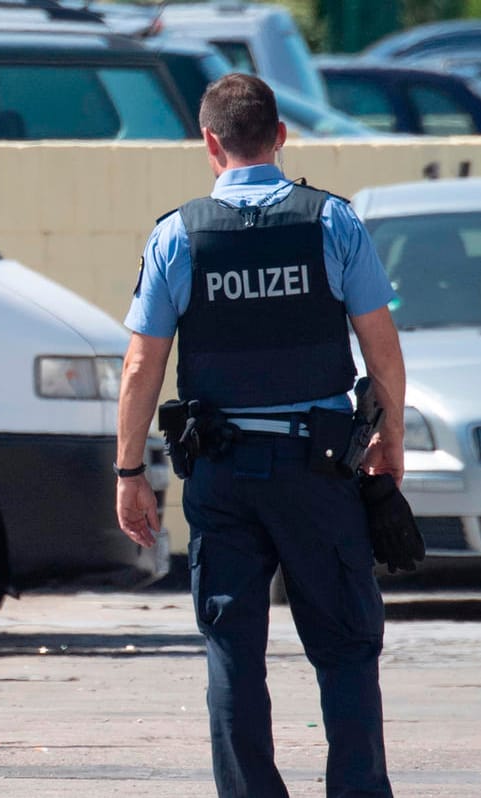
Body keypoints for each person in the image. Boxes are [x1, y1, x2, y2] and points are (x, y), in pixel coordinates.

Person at [115, 74, 405, 798]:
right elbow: (380, 346)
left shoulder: (176, 234)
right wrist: (389, 438)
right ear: (280, 136)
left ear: (209, 143)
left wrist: (128, 474)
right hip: (320, 469)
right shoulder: (333, 222)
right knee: (343, 647)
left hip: (223, 474)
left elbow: (141, 363)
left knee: (232, 654)